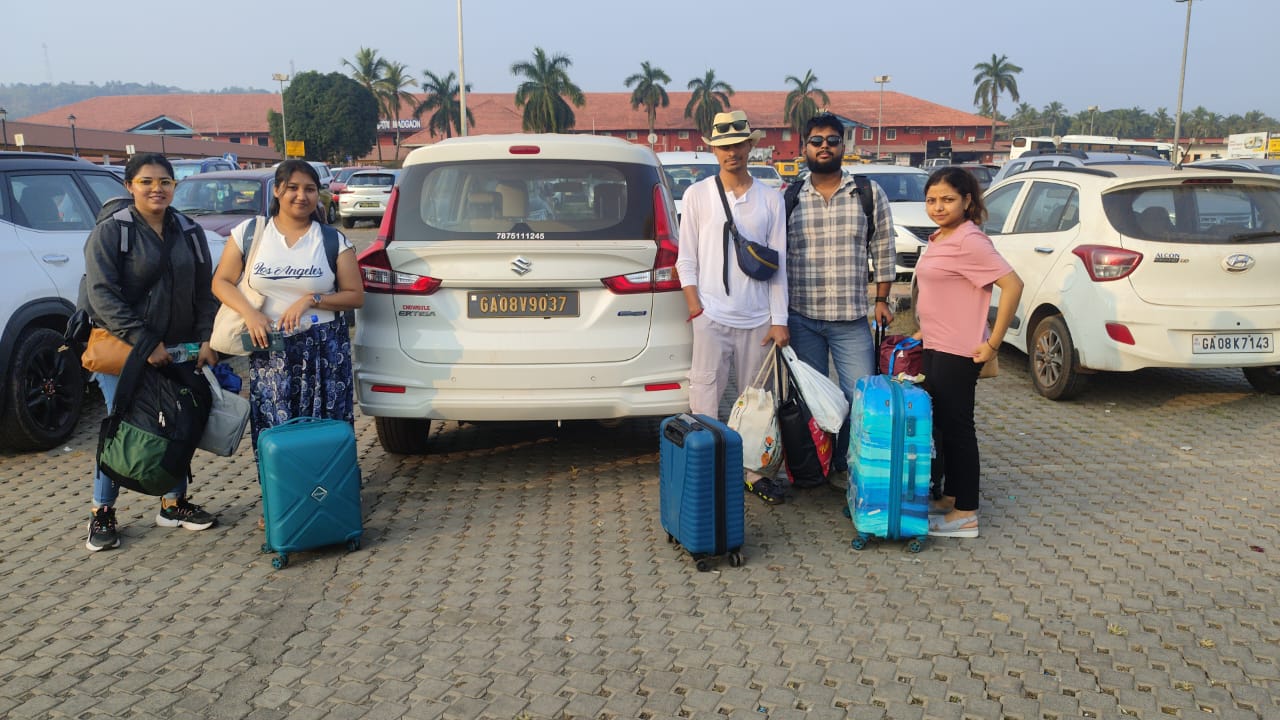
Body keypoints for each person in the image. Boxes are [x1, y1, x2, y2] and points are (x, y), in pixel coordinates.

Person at [83, 153, 221, 552]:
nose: (156, 189)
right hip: (125, 350)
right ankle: (102, 512)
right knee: (121, 427)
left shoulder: (190, 231)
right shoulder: (113, 232)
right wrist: (144, 341)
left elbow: (204, 291)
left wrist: (207, 338)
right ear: (129, 186)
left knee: (179, 421)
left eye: (164, 181)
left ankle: (173, 504)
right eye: (146, 181)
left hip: (179, 350)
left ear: (174, 186)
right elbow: (102, 295)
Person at [674, 110, 790, 505]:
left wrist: (779, 320)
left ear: (750, 146)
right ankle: (707, 472)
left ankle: (752, 473)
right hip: (711, 315)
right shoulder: (697, 195)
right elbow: (686, 258)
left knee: (755, 404)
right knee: (704, 397)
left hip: (757, 319)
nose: (731, 153)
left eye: (738, 144)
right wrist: (696, 309)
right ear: (713, 150)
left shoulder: (770, 198)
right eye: (724, 146)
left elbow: (779, 265)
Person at [211, 159, 364, 454]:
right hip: (270, 349)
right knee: (276, 428)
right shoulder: (250, 233)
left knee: (325, 427)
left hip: (324, 351)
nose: (301, 196)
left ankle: (329, 479)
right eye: (292, 187)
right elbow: (221, 282)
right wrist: (250, 314)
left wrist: (311, 299)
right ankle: (282, 482)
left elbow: (355, 296)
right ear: (277, 191)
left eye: (309, 189)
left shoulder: (332, 239)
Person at [785, 112, 897, 491]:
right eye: (816, 141)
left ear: (843, 146)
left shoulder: (867, 193)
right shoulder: (789, 197)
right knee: (813, 398)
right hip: (802, 317)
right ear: (804, 147)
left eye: (832, 140)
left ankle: (850, 463)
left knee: (859, 397)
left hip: (851, 320)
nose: (824, 147)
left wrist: (882, 299)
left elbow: (884, 248)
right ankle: (816, 466)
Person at [914, 167, 1023, 538]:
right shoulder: (941, 237)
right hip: (936, 345)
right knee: (943, 427)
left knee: (959, 430)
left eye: (947, 199)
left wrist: (993, 343)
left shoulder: (969, 239)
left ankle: (966, 514)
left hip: (959, 350)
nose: (938, 207)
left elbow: (1013, 285)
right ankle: (952, 497)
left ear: (967, 201)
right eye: (932, 200)